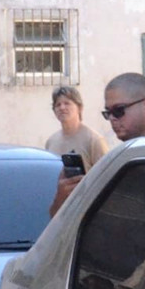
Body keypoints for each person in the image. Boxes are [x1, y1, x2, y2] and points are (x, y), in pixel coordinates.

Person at [49, 73, 145, 218]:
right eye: (108, 113)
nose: (112, 119)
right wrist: (62, 197)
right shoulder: (120, 159)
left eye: (118, 110)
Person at [44, 86, 109, 218]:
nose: (62, 107)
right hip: (60, 212)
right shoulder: (51, 141)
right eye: (58, 104)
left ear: (79, 108)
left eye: (67, 103)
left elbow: (106, 178)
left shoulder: (94, 140)